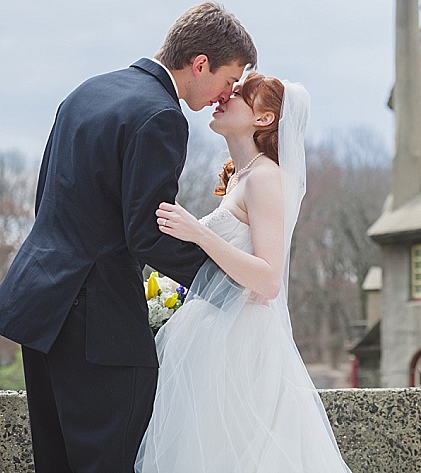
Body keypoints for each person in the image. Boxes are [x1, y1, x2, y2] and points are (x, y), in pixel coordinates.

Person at [0, 2, 257, 472]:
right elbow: (148, 233)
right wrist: (226, 285)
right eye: (229, 79)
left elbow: (50, 196)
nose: (225, 93)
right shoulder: (162, 117)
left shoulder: (88, 91)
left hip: (40, 304)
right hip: (97, 323)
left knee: (56, 460)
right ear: (200, 64)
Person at [135, 73, 352, 472]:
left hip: (243, 344)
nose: (223, 97)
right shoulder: (241, 176)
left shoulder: (266, 177)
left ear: (264, 119)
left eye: (237, 95)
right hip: (216, 332)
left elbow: (269, 280)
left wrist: (198, 233)